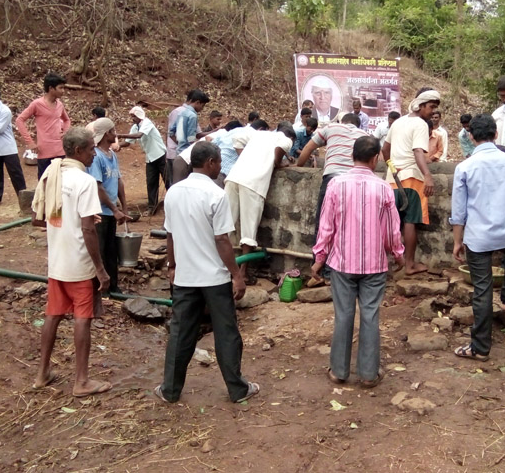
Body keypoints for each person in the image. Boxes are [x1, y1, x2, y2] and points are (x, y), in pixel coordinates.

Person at [156, 141, 259, 404]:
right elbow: (222, 240)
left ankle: (170, 389)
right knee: (226, 332)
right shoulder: (216, 194)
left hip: (185, 276)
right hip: (214, 277)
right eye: (218, 162)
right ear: (211, 162)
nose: (220, 167)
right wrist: (236, 274)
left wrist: (172, 265)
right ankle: (237, 389)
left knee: (180, 333)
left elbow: (170, 235)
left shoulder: (174, 192)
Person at [313, 136, 404, 387]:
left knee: (343, 315)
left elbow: (326, 226)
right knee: (370, 315)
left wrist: (319, 257)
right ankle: (368, 374)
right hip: (374, 265)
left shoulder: (336, 185)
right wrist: (398, 254)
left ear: (352, 155)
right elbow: (391, 230)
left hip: (342, 263)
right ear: (375, 158)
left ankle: (339, 372)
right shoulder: (384, 188)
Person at [31, 127, 111, 398]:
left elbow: (44, 218)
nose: (93, 153)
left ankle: (42, 373)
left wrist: (72, 222)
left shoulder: (51, 174)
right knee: (82, 318)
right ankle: (81, 381)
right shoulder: (85, 181)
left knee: (53, 314)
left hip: (57, 259)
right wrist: (100, 269)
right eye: (90, 149)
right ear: (79, 151)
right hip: (78, 261)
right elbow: (88, 230)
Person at [450, 115, 505, 360]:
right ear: (496, 135)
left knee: (482, 290)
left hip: (478, 239)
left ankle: (480, 347)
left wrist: (457, 241)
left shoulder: (465, 167)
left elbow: (458, 213)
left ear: (471, 137)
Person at [225, 127, 295, 281]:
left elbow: (237, 139)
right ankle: (242, 273)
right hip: (254, 184)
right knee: (248, 230)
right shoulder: (285, 138)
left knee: (224, 226)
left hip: (234, 177)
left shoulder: (259, 133)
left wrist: (247, 159)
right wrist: (278, 163)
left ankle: (216, 268)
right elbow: (282, 146)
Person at [381, 90, 439, 275]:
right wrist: (427, 175)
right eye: (431, 107)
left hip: (393, 180)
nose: (433, 112)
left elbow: (385, 148)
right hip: (412, 178)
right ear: (421, 106)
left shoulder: (398, 122)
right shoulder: (420, 124)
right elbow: (417, 151)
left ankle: (385, 263)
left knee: (391, 222)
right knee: (410, 222)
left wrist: (391, 165)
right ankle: (409, 265)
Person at [296, 113, 367, 235]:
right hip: (355, 182)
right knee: (349, 225)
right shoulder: (364, 135)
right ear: (358, 125)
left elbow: (308, 148)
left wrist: (299, 166)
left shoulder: (331, 128)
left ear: (342, 122)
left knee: (323, 223)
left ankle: (320, 253)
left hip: (332, 178)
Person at [88, 118, 131, 296]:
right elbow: (98, 187)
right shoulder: (96, 157)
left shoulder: (112, 155)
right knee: (101, 251)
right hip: (100, 212)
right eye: (114, 131)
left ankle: (113, 286)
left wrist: (124, 207)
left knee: (112, 250)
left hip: (111, 210)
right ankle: (101, 289)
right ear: (107, 134)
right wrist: (114, 209)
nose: (116, 134)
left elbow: (118, 181)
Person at [16, 73, 72, 180]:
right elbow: (19, 120)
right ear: (51, 88)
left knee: (61, 182)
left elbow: (67, 120)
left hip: (60, 150)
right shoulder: (37, 104)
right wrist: (30, 142)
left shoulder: (59, 104)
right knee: (44, 183)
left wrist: (65, 131)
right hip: (45, 152)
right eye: (60, 88)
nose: (63, 91)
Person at [119, 105, 167, 212]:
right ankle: (152, 207)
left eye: (134, 116)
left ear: (139, 116)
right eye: (131, 116)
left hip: (160, 155)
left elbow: (139, 136)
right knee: (151, 182)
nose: (132, 119)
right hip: (150, 158)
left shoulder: (147, 123)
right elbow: (128, 142)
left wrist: (119, 135)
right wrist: (118, 146)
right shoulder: (135, 127)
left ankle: (174, 204)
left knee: (168, 181)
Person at [169, 89, 210, 155]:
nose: (202, 109)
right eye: (202, 106)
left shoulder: (181, 113)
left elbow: (171, 133)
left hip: (178, 152)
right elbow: (191, 139)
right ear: (197, 103)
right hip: (187, 153)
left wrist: (180, 143)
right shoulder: (192, 116)